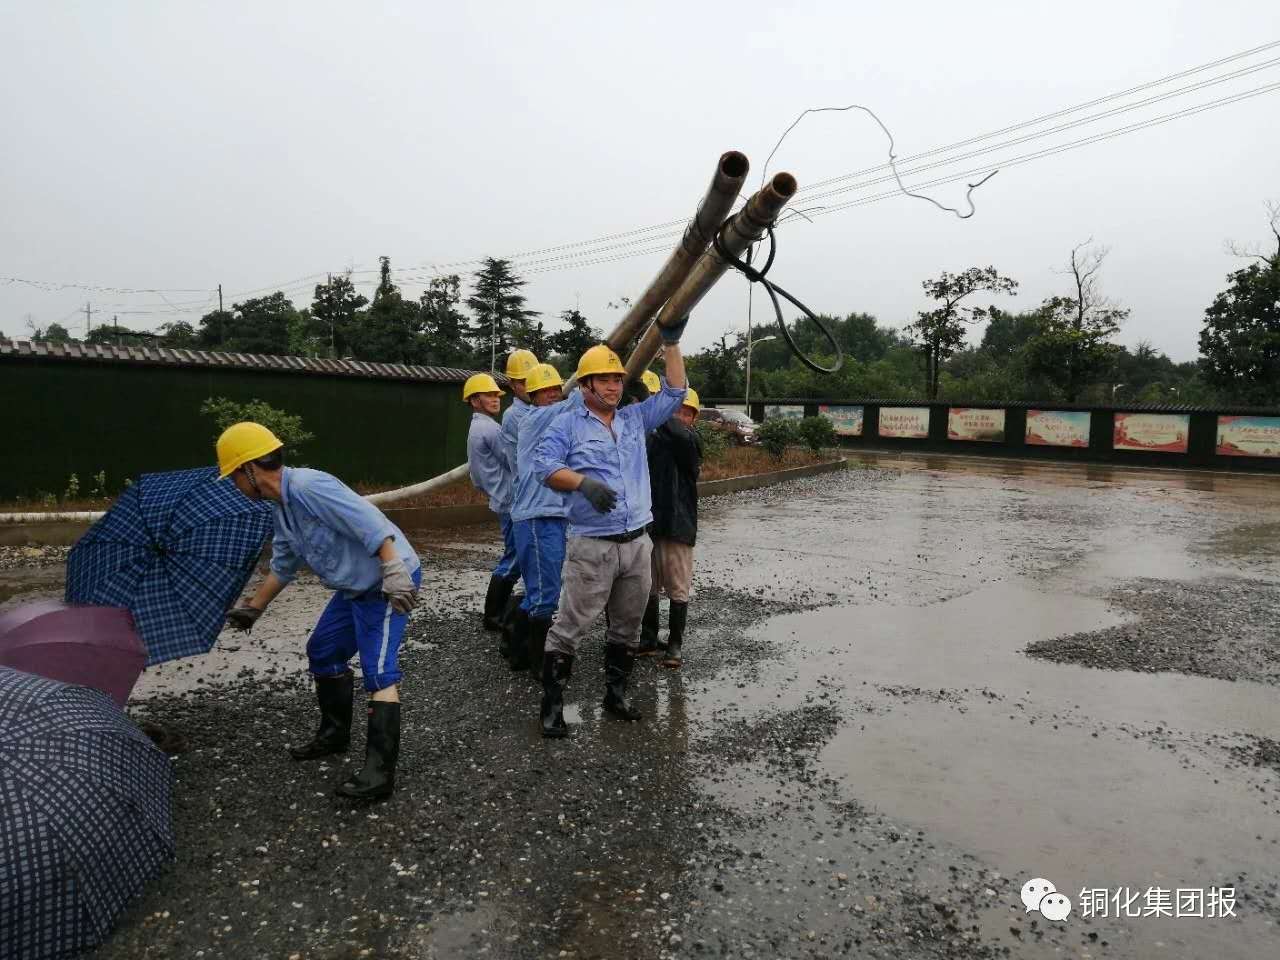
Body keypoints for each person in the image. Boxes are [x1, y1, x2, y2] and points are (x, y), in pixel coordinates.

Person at [219, 422, 421, 801]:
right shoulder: (281, 507)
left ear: (249, 469)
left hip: (385, 582)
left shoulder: (309, 486)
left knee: (378, 671)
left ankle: (379, 773)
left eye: (233, 476)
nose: (234, 484)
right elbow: (284, 564)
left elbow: (370, 523)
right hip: (354, 587)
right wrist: (254, 608)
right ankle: (334, 735)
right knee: (324, 651)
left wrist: (394, 570)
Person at [533, 330, 688, 738]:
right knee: (570, 625)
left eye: (617, 379)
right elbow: (544, 467)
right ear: (585, 385)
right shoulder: (566, 425)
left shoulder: (634, 419)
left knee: (628, 626)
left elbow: (675, 392)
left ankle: (615, 695)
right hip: (592, 545)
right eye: (604, 379)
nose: (613, 386)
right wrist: (581, 483)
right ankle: (552, 706)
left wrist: (672, 343)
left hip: (637, 542)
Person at [507, 362, 580, 670]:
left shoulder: (552, 423)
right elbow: (578, 401)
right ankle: (539, 662)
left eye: (555, 389)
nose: (552, 394)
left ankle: (517, 653)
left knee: (538, 591)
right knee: (545, 594)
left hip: (549, 515)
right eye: (544, 390)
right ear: (532, 396)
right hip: (537, 518)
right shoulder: (535, 419)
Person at [637, 387, 703, 667]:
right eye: (674, 410)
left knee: (678, 587)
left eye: (685, 412)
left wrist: (653, 404)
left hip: (677, 524)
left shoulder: (690, 441)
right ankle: (648, 638)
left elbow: (677, 434)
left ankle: (675, 644)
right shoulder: (652, 438)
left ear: (693, 418)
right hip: (649, 524)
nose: (678, 416)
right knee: (647, 585)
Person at [464, 370, 521, 638]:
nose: (496, 398)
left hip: (500, 497)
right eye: (488, 395)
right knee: (515, 556)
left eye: (496, 394)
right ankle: (494, 615)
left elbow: (476, 478)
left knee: (514, 554)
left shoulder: (477, 428)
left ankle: (496, 613)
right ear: (474, 401)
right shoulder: (490, 429)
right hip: (510, 499)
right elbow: (513, 461)